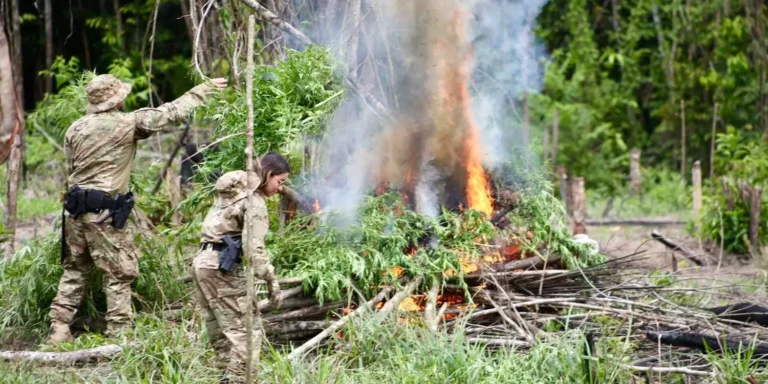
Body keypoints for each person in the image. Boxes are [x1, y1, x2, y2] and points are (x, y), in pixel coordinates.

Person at [47, 74, 228, 344]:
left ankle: (59, 328)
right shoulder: (127, 123)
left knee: (75, 268)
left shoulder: (74, 129)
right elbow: (171, 112)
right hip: (104, 212)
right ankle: (120, 334)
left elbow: (70, 170)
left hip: (74, 211)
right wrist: (204, 90)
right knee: (119, 273)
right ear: (117, 100)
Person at [192, 152, 289, 381]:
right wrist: (271, 280)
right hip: (222, 268)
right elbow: (254, 251)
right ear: (268, 175)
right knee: (247, 334)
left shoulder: (232, 194)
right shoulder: (253, 201)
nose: (281, 188)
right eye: (280, 181)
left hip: (202, 263)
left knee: (223, 335)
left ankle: (226, 377)